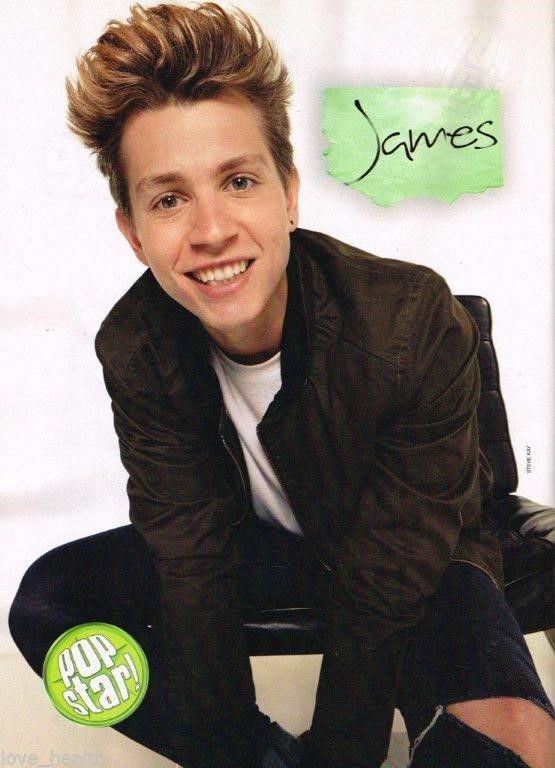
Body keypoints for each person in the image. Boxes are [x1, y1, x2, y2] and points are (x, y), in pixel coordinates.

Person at [9, 4, 555, 767]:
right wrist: (232, 746)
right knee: (51, 601)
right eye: (168, 199)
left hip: (421, 555)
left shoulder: (409, 319)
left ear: (289, 193)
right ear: (132, 232)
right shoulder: (134, 345)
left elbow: (390, 571)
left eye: (237, 181)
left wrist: (339, 753)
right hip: (262, 552)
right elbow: (191, 557)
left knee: (519, 747)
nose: (210, 231)